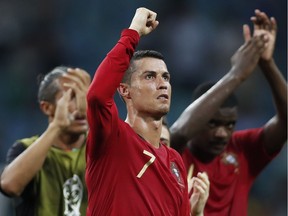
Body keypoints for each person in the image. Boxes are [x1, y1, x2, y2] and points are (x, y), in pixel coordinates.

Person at [86, 7, 210, 216]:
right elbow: (97, 95)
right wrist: (133, 31)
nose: (162, 84)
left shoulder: (175, 161)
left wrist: (195, 214)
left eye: (166, 77)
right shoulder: (113, 137)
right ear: (125, 90)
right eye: (150, 77)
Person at [169, 9, 287, 216]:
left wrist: (267, 64)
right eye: (212, 124)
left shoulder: (242, 149)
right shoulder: (174, 155)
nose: (222, 133)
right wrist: (236, 74)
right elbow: (179, 131)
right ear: (199, 117)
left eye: (230, 125)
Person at [0, 66, 91, 216]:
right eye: (71, 97)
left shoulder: (101, 149)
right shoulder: (25, 148)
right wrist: (56, 126)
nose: (80, 108)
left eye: (84, 97)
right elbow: (9, 186)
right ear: (47, 108)